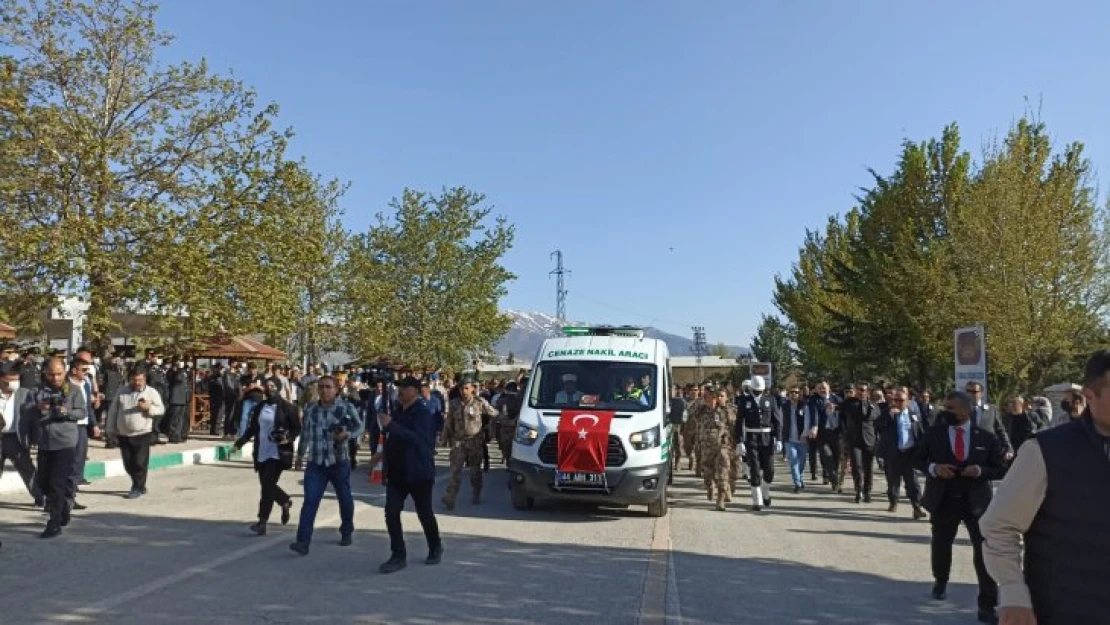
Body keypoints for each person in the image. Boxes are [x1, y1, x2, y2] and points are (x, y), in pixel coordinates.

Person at [980, 350, 1110, 625]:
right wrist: (1013, 592)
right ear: (1089, 396)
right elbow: (1000, 526)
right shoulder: (1045, 451)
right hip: (1066, 610)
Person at [916, 391, 1006, 624]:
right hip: (943, 499)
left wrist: (979, 471)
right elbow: (918, 459)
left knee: (983, 551)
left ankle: (987, 603)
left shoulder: (985, 437)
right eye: (945, 407)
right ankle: (941, 580)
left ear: (966, 410)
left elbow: (1000, 468)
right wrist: (935, 468)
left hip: (976, 502)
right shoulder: (934, 434)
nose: (946, 412)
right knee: (941, 544)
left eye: (951, 408)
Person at [377, 376, 443, 574]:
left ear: (414, 390)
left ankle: (435, 546)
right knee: (391, 512)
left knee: (424, 512)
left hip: (419, 471)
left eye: (404, 388)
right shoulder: (398, 412)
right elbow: (393, 440)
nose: (400, 391)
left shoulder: (423, 413)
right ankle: (398, 555)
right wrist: (380, 456)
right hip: (397, 472)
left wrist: (391, 426)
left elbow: (418, 439)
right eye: (399, 388)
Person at [289, 375, 360, 555]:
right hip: (316, 462)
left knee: (345, 499)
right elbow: (305, 433)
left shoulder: (345, 408)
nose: (324, 390)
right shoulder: (311, 409)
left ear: (336, 389)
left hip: (338, 461)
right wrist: (299, 455)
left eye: (328, 387)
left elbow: (359, 426)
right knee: (310, 501)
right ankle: (303, 541)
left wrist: (347, 435)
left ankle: (346, 530)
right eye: (321, 387)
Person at [25, 357, 86, 538]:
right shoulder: (37, 390)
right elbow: (26, 410)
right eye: (51, 374)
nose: (55, 378)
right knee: (43, 482)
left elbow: (82, 411)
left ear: (65, 371)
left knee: (56, 483)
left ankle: (54, 523)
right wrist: (38, 407)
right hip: (44, 442)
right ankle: (64, 508)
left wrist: (67, 413)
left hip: (65, 442)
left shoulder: (74, 390)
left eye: (59, 374)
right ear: (45, 373)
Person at [234, 377, 301, 536]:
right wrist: (239, 443)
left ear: (278, 388)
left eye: (272, 386)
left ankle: (262, 522)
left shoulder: (288, 408)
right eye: (267, 385)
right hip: (261, 452)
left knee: (267, 486)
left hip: (278, 453)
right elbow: (252, 429)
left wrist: (288, 438)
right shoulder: (260, 407)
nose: (269, 388)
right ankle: (284, 501)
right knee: (267, 486)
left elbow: (297, 429)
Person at [104, 366, 165, 499]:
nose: (137, 383)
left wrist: (148, 408)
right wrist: (109, 429)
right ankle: (138, 484)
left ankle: (137, 487)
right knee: (128, 464)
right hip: (124, 433)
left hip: (142, 432)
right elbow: (113, 411)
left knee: (140, 462)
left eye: (140, 380)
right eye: (134, 380)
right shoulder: (122, 391)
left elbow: (160, 409)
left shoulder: (151, 392)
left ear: (144, 379)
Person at [441, 378, 497, 510]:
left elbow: (494, 413)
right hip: (459, 441)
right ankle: (450, 497)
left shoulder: (479, 402)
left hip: (475, 441)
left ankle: (476, 492)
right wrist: (443, 439)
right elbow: (448, 423)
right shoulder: (454, 404)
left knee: (475, 470)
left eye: (467, 388)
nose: (464, 391)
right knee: (455, 470)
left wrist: (511, 422)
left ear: (472, 389)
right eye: (462, 389)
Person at [876, 388, 927, 519]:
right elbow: (877, 425)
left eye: (901, 400)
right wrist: (888, 413)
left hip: (910, 452)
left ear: (907, 401)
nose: (898, 402)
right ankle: (893, 501)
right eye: (895, 400)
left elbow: (920, 432)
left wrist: (922, 450)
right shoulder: (889, 413)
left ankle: (917, 507)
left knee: (913, 482)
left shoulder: (913, 414)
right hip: (893, 452)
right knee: (893, 480)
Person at [735, 375, 782, 511]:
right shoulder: (744, 401)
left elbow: (777, 421)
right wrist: (739, 441)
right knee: (754, 469)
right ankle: (757, 500)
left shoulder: (770, 400)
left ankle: (765, 490)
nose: (757, 393)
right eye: (755, 391)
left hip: (767, 437)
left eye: (759, 391)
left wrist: (778, 439)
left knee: (769, 470)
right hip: (752, 437)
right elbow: (739, 422)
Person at [0, 361, 42, 505]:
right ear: (2, 378)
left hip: (15, 439)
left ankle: (40, 497)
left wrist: (34, 438)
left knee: (28, 470)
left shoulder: (25, 394)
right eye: (11, 377)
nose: (15, 381)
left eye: (17, 377)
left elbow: (33, 418)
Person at [692, 388, 735, 510]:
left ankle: (720, 500)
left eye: (714, 396)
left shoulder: (725, 410)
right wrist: (702, 399)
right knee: (708, 472)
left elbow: (733, 424)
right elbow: (692, 413)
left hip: (722, 446)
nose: (712, 399)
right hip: (707, 446)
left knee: (723, 473)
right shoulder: (702, 410)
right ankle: (710, 486)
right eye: (708, 396)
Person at [841, 382, 880, 503]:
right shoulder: (848, 403)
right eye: (858, 389)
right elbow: (843, 416)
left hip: (869, 440)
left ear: (867, 392)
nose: (860, 392)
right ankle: (858, 490)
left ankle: (867, 491)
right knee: (857, 466)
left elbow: (872, 418)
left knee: (868, 468)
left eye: (863, 390)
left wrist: (866, 403)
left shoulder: (873, 405)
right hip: (854, 439)